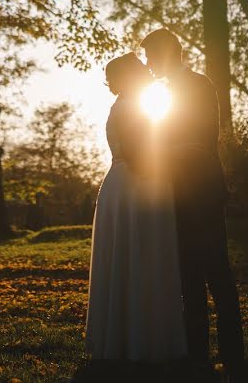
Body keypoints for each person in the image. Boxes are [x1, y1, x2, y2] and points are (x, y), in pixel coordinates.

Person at [140, 28, 248, 381]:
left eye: (150, 57)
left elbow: (203, 139)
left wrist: (162, 151)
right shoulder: (161, 92)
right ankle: (197, 355)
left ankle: (234, 355)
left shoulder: (200, 85)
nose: (148, 64)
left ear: (166, 54)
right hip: (177, 193)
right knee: (187, 276)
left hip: (201, 189)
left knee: (216, 271)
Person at [84, 52, 187, 362]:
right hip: (135, 185)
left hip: (123, 184)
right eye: (141, 69)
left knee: (128, 259)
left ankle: (123, 337)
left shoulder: (125, 105)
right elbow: (140, 152)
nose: (148, 72)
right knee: (141, 258)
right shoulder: (131, 107)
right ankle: (142, 342)